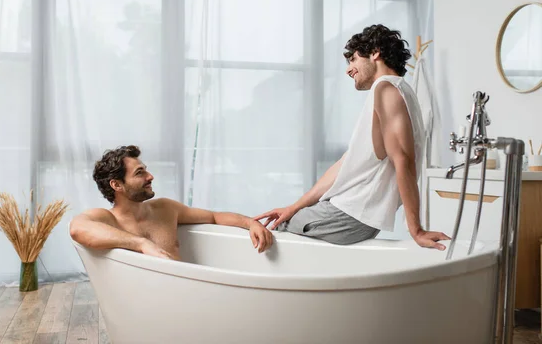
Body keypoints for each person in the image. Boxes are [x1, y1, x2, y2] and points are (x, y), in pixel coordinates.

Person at [254, 24, 450, 250]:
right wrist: (295, 207)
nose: (349, 70)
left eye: (353, 59)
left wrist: (416, 230)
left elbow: (403, 160)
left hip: (351, 213)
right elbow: (344, 165)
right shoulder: (398, 91)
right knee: (284, 221)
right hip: (350, 211)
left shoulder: (386, 89)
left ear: (375, 52)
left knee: (269, 235)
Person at [70, 145, 273, 260]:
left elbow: (214, 217)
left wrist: (250, 223)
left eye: (146, 169)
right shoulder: (107, 219)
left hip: (185, 297)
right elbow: (77, 229)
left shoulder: (165, 208)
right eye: (140, 173)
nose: (150, 176)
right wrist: (141, 243)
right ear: (117, 185)